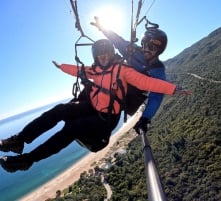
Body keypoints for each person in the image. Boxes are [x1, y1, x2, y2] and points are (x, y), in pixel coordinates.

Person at [0, 39, 190, 173]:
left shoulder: (122, 70)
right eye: (100, 54)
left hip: (106, 119)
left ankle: (27, 160)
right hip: (92, 108)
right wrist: (62, 67)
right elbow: (78, 70)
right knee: (60, 109)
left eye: (107, 52)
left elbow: (148, 83)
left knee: (72, 128)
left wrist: (173, 89)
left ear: (112, 53)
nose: (104, 56)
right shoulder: (96, 70)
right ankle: (19, 140)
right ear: (96, 56)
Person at [91, 16, 169, 135]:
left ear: (159, 50)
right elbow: (117, 41)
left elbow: (156, 96)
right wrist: (103, 28)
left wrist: (145, 118)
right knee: (113, 61)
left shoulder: (157, 69)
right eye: (143, 45)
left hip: (130, 96)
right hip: (118, 82)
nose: (145, 50)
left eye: (151, 47)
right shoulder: (133, 51)